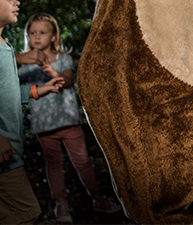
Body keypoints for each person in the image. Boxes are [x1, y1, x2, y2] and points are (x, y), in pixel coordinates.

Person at [17, 13, 121, 222]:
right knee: (53, 163)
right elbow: (12, 84)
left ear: (54, 36)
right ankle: (61, 205)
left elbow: (67, 81)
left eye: (42, 32)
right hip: (44, 127)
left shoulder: (63, 58)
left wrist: (51, 72)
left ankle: (98, 199)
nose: (36, 37)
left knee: (82, 161)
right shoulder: (26, 65)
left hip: (68, 123)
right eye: (32, 33)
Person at [0, 0, 64, 225]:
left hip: (5, 153)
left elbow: (4, 93)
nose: (16, 2)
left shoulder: (2, 46)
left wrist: (37, 91)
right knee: (25, 215)